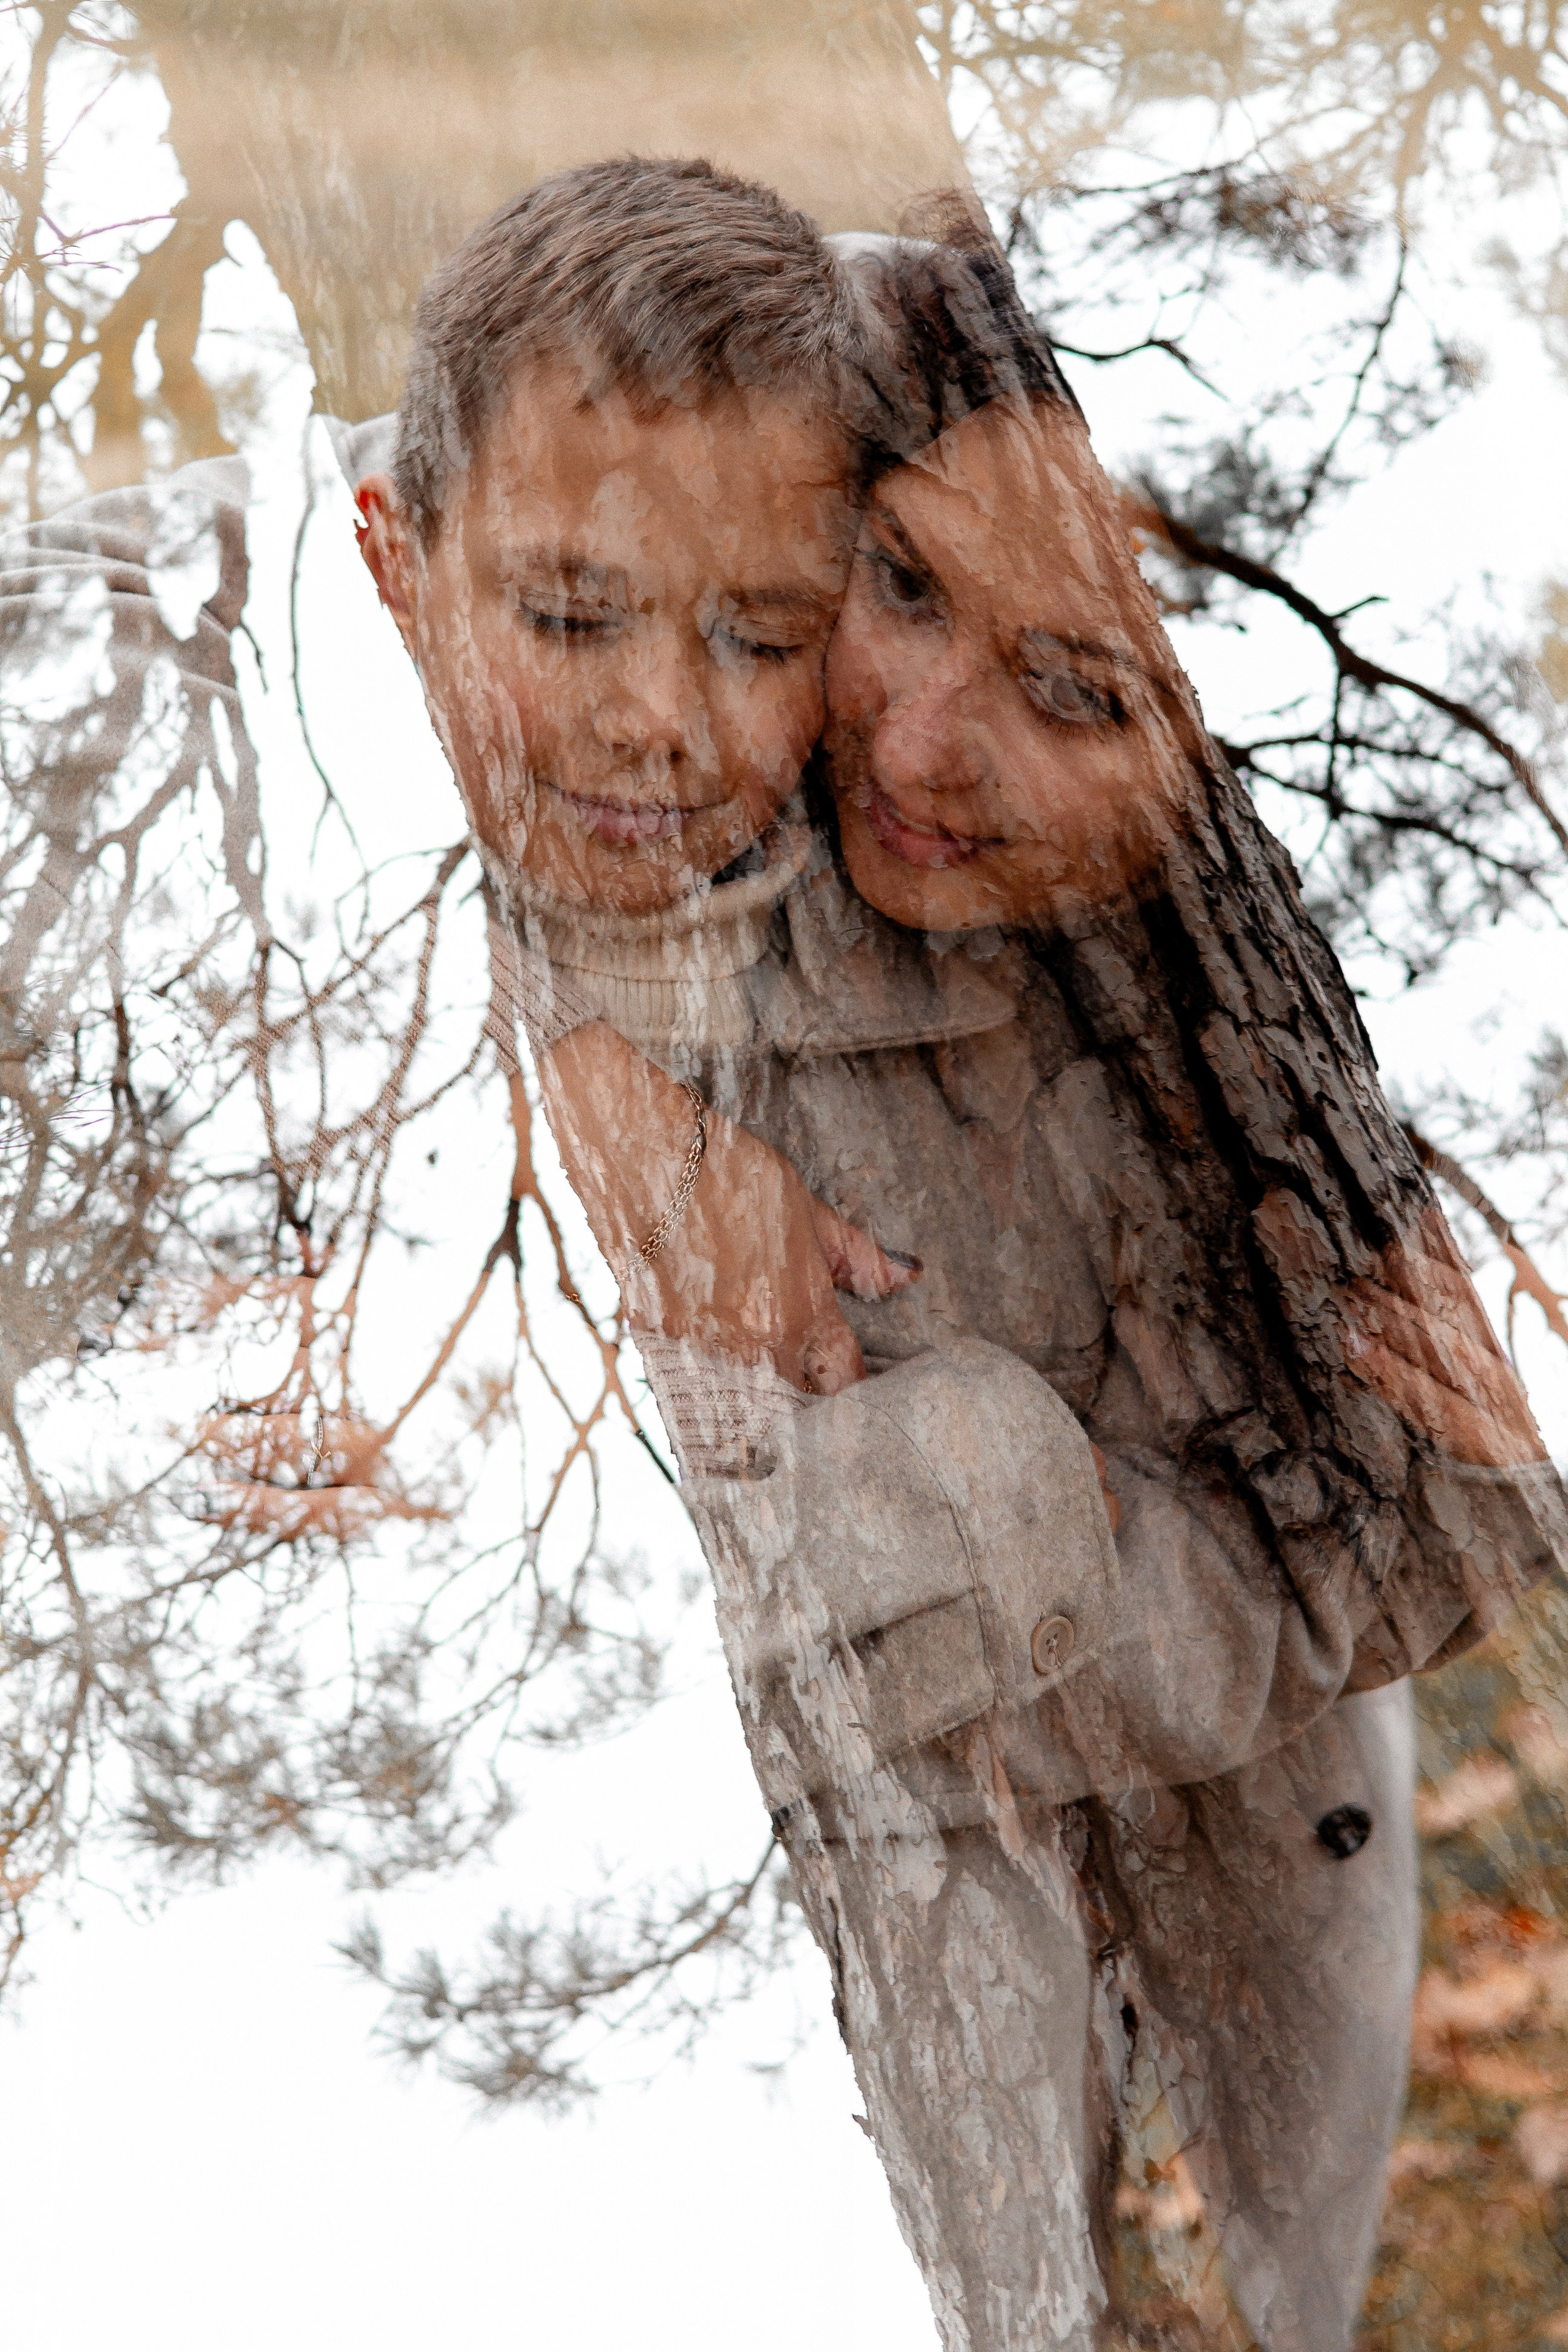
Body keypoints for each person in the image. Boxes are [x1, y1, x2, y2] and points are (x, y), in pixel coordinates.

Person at [398, 218, 1567, 2351]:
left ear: (1200, 801)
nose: (918, 741)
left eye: (1075, 692)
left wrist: (1011, 1500)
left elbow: (1315, 1635)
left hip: (1227, 1834)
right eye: (901, 590)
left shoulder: (1249, 1175)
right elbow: (517, 677)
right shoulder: (718, 726)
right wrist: (565, 1064)